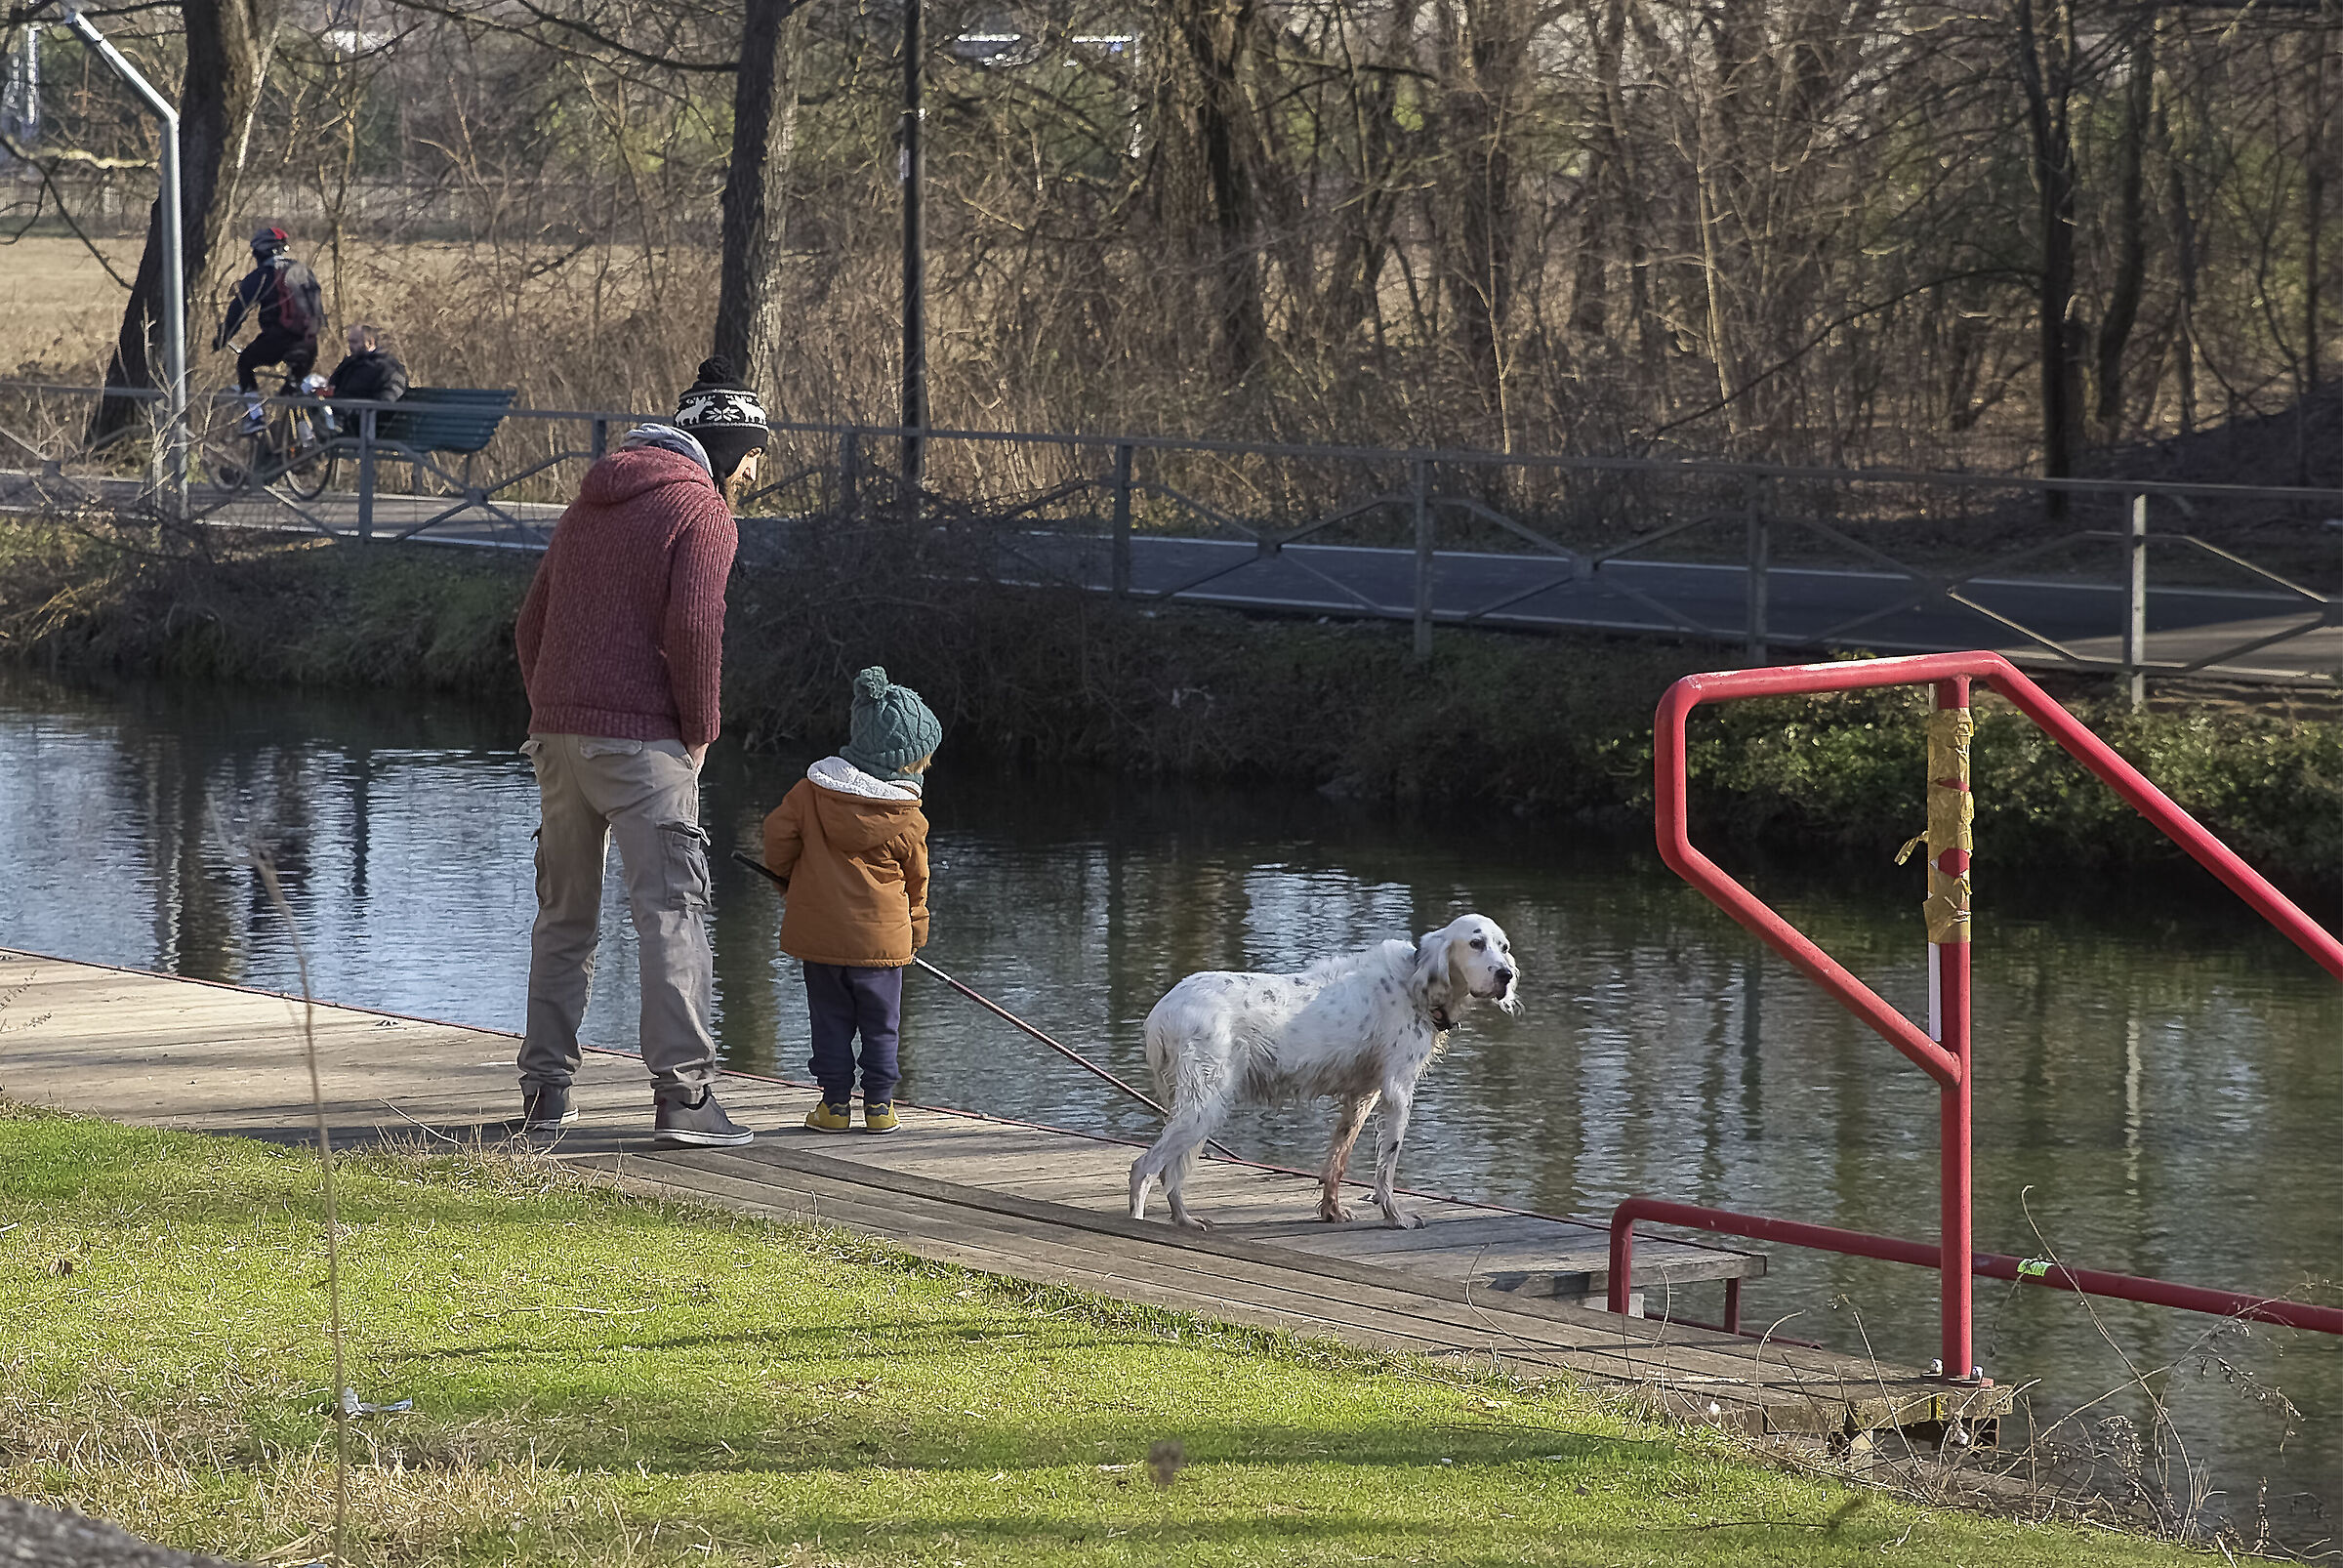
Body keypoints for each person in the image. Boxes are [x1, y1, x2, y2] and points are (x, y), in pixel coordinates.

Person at [513, 355, 771, 1144]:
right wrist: (700, 731)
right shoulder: (700, 512)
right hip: (643, 744)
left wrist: (553, 707)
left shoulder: (590, 501)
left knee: (563, 916)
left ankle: (545, 1095)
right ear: (728, 450)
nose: (755, 475)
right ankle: (685, 1101)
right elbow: (694, 629)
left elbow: (530, 625)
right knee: (670, 915)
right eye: (755, 457)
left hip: (557, 738)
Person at [760, 667, 942, 1136]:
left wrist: (786, 879)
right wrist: (917, 930)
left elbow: (777, 837)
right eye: (922, 762)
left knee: (830, 1022)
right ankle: (880, 1107)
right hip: (882, 948)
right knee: (882, 1026)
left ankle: (834, 1106)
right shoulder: (907, 818)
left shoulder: (809, 793)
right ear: (902, 764)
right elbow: (915, 884)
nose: (925, 769)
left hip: (819, 939)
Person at [213, 227, 324, 433]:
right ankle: (306, 443)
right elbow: (318, 311)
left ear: (262, 252)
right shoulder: (304, 272)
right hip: (309, 343)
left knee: (245, 363)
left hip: (277, 341)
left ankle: (256, 417)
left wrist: (222, 338)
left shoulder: (262, 276)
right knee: (291, 392)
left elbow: (239, 311)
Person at [322, 323, 408, 433]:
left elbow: (386, 403)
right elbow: (332, 388)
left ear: (370, 342)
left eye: (354, 342)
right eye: (349, 342)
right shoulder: (350, 363)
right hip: (337, 416)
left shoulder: (389, 368)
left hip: (361, 426)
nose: (350, 346)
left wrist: (349, 413)